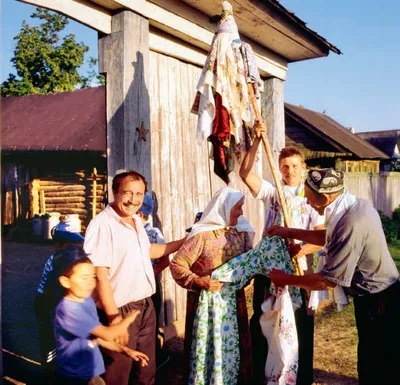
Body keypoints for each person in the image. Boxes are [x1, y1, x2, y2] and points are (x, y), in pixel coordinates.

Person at [266, 168, 400, 385]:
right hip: (376, 296)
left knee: (376, 365)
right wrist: (289, 232)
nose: (307, 204)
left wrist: (285, 280)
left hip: (379, 301)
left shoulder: (351, 221)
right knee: (374, 358)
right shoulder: (352, 207)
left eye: (309, 199)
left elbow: (327, 280)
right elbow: (329, 236)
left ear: (325, 197)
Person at [239, 120, 324, 385]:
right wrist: (256, 140)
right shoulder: (272, 190)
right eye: (285, 166)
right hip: (270, 267)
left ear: (304, 168)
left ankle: (299, 378)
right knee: (265, 319)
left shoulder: (312, 196)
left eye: (295, 166)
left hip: (299, 267)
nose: (289, 171)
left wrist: (302, 251)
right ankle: (264, 375)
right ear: (279, 168)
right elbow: (245, 173)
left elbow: (320, 238)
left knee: (298, 324)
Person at [84, 170, 187, 385]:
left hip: (145, 306)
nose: (134, 200)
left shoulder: (135, 221)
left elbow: (148, 251)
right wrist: (114, 319)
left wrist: (184, 241)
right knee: (117, 373)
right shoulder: (102, 225)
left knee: (145, 370)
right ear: (114, 192)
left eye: (139, 194)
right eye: (128, 193)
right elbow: (100, 276)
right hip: (120, 309)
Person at [170, 187, 255, 384]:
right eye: (238, 208)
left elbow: (248, 262)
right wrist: (200, 281)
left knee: (235, 348)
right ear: (224, 208)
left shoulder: (241, 233)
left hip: (233, 301)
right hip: (205, 302)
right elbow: (177, 265)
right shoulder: (202, 235)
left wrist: (245, 277)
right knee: (207, 346)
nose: (242, 212)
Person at [53, 246, 149, 385]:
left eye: (92, 276)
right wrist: (128, 320)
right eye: (84, 278)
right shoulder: (68, 310)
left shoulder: (87, 300)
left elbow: (96, 336)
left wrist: (127, 351)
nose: (91, 283)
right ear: (65, 282)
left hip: (90, 374)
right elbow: (107, 334)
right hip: (74, 378)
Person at [33, 219, 85, 383]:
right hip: (46, 302)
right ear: (58, 245)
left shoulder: (69, 259)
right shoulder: (57, 260)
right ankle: (49, 369)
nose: (73, 248)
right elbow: (54, 291)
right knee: (49, 338)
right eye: (69, 244)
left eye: (75, 244)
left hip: (56, 301)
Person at [137, 193, 170, 370]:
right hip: (134, 284)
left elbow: (165, 260)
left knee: (150, 322)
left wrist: (150, 273)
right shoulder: (131, 230)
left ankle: (156, 359)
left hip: (150, 285)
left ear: (142, 214)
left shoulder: (153, 233)